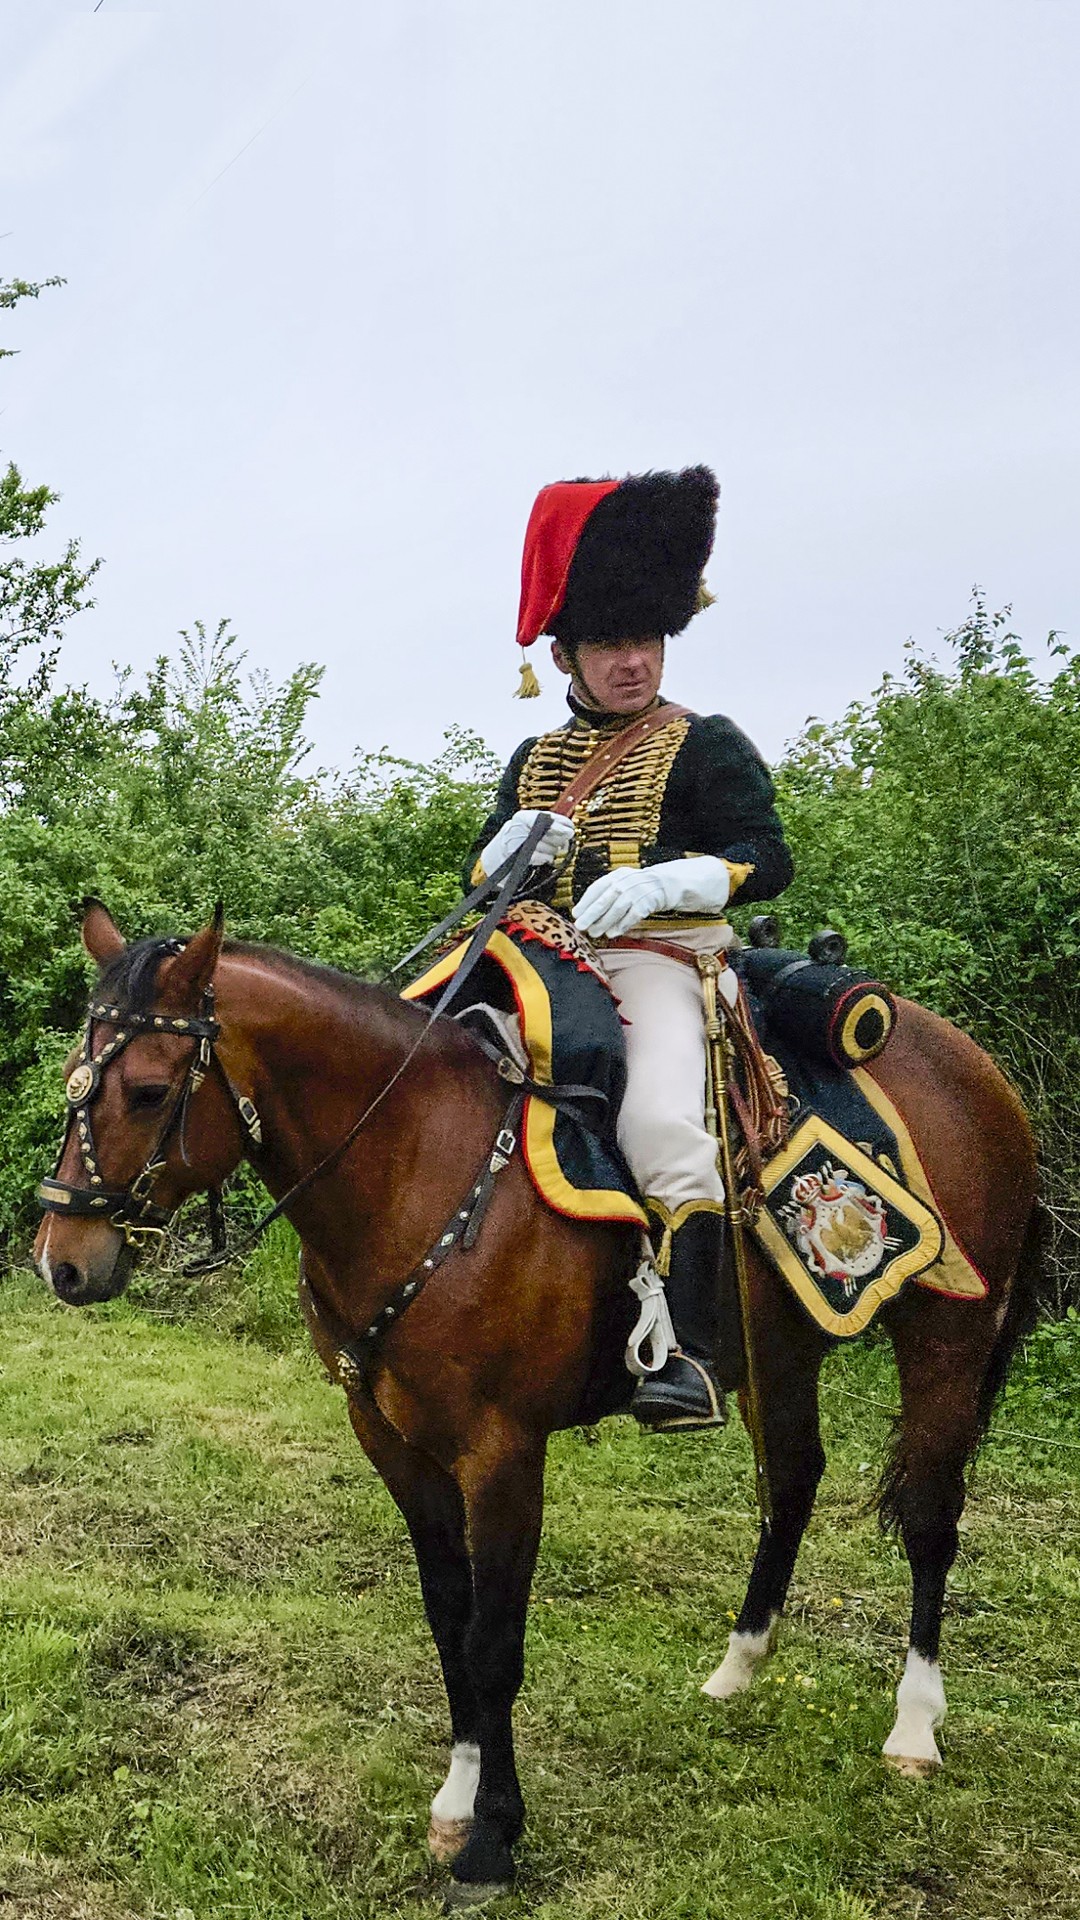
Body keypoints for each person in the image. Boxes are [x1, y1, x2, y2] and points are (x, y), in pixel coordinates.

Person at [467, 467, 793, 1429]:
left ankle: (691, 1355)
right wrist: (509, 853)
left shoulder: (706, 742)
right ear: (564, 654)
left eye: (646, 640)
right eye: (610, 644)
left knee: (657, 1128)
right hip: (541, 961)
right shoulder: (532, 762)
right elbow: (482, 887)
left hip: (662, 966)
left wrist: (668, 881)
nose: (633, 662)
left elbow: (766, 858)